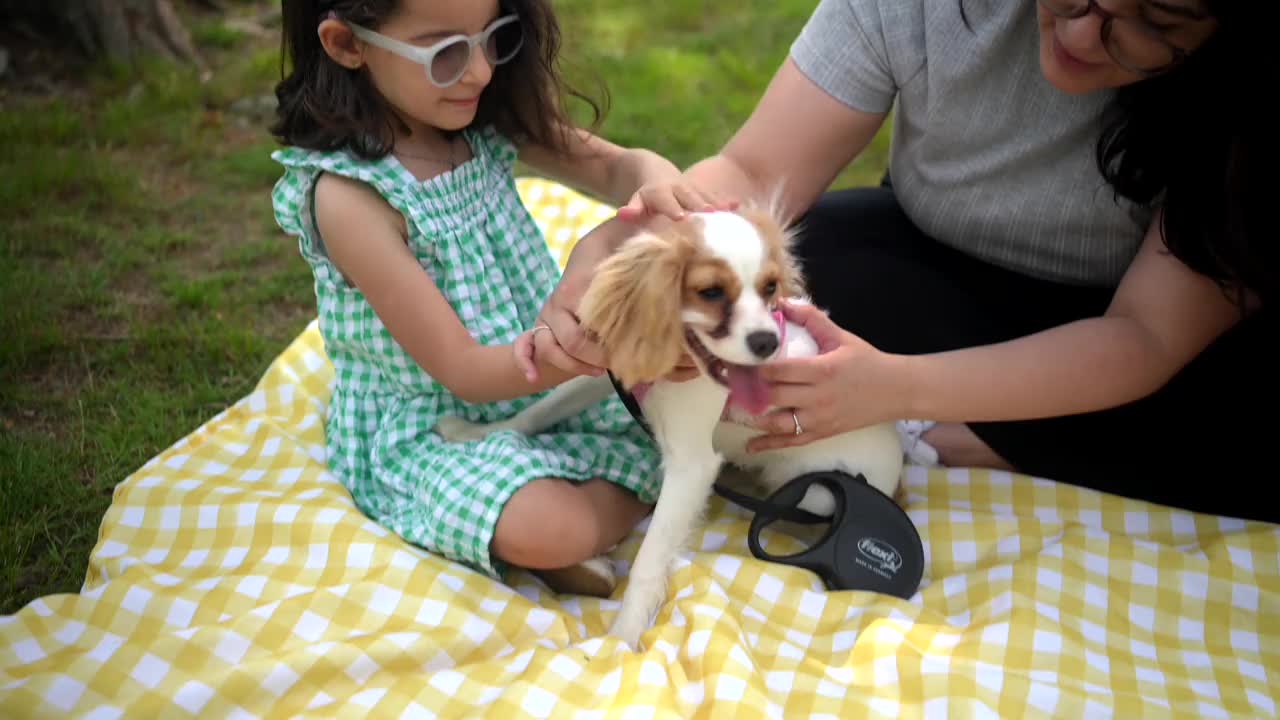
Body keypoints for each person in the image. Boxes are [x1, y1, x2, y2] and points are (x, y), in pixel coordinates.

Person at [529, 0, 1277, 522]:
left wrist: (893, 387)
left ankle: (951, 433)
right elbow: (754, 172)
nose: (1084, 31)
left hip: (1152, 348)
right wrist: (617, 250)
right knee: (807, 261)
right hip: (948, 268)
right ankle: (967, 423)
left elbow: (1143, 338)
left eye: (1154, 20)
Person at [267, 0, 727, 596]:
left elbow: (621, 168)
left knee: (689, 416)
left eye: (494, 37)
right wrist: (588, 350)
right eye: (445, 52)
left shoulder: (479, 122)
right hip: (441, 420)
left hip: (548, 387)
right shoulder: (352, 197)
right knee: (547, 525)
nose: (481, 70)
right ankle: (567, 534)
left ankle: (575, 523)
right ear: (347, 45)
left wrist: (658, 185)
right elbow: (464, 371)